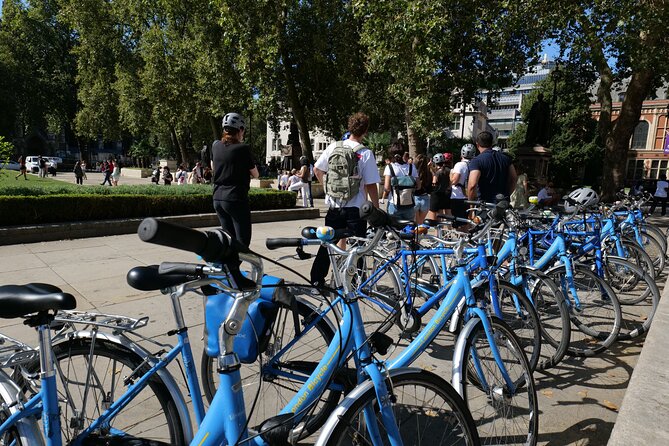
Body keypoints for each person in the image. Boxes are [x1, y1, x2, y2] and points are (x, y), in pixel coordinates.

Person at [310, 112, 380, 290]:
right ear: (365, 131)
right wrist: (376, 210)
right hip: (355, 209)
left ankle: (317, 278)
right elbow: (371, 185)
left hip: (334, 206)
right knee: (358, 247)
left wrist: (329, 190)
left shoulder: (333, 146)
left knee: (328, 243)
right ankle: (355, 281)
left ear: (349, 127)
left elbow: (317, 170)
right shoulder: (365, 153)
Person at [212, 112, 259, 247]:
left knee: (228, 239)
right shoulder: (242, 148)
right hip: (235, 197)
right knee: (242, 241)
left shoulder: (215, 145)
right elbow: (255, 174)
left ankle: (227, 267)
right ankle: (233, 267)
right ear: (240, 130)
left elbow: (213, 166)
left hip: (218, 198)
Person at [467, 131, 516, 204]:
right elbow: (514, 178)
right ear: (492, 143)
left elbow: (472, 185)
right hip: (503, 204)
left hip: (485, 205)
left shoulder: (477, 161)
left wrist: (471, 202)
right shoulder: (506, 159)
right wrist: (507, 194)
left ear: (477, 144)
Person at [381, 141, 418, 220]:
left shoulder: (390, 167)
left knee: (394, 230)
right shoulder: (412, 167)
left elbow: (387, 188)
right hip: (409, 204)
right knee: (409, 229)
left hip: (394, 204)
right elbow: (418, 186)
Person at [451, 144, 476, 222]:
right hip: (470, 196)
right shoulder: (474, 164)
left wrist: (451, 174)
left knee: (458, 223)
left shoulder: (459, 165)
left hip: (458, 197)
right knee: (467, 221)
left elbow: (454, 181)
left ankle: (461, 234)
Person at [426, 153, 452, 220]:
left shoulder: (437, 173)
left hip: (436, 195)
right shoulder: (448, 170)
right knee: (447, 212)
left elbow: (434, 182)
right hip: (446, 193)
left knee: (436, 214)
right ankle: (449, 228)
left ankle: (439, 229)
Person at [413, 154, 431, 224]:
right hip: (425, 198)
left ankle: (417, 234)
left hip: (415, 198)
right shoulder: (429, 173)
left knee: (415, 224)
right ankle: (421, 234)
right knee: (420, 223)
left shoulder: (413, 173)